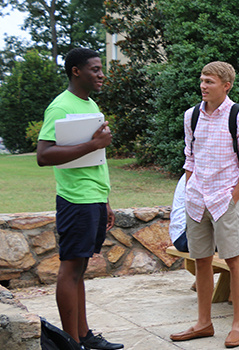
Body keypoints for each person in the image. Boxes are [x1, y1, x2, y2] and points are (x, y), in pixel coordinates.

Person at [35, 48, 123, 350]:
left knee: (80, 269)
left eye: (101, 69)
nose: (101, 74)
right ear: (76, 71)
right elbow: (44, 156)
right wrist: (93, 143)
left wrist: (106, 199)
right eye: (95, 69)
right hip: (75, 200)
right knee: (70, 270)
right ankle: (71, 343)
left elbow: (96, 157)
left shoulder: (88, 103)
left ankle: (83, 336)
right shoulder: (60, 107)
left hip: (94, 197)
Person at [170, 61, 239, 348]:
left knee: (234, 260)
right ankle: (203, 323)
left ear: (226, 85)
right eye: (202, 80)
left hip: (225, 200)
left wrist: (233, 197)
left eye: (209, 81)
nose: (203, 85)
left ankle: (237, 326)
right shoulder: (191, 115)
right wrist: (190, 189)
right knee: (202, 261)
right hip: (196, 200)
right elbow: (190, 158)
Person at [168, 174, 239, 306]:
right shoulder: (220, 169)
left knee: (231, 237)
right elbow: (227, 198)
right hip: (185, 234)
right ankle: (237, 294)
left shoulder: (200, 166)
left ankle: (201, 282)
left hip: (179, 232)